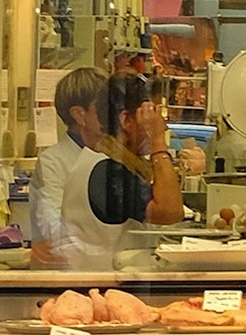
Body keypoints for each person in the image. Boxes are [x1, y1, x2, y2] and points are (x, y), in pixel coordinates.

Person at [30, 66, 184, 268]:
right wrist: (158, 143)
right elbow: (170, 211)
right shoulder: (106, 172)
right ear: (126, 120)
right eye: (151, 115)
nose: (161, 125)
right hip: (97, 288)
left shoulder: (112, 163)